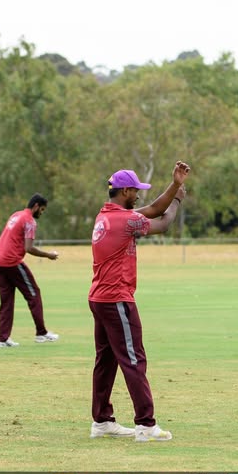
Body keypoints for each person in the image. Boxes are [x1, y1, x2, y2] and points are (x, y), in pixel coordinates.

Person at [88, 160, 191, 443]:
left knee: (106, 362)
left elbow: (152, 209)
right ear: (125, 192)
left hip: (99, 297)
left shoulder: (106, 215)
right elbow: (163, 221)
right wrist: (178, 198)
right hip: (116, 299)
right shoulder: (125, 219)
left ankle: (102, 420)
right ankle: (146, 424)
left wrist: (174, 184)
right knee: (134, 360)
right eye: (136, 191)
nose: (139, 195)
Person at [0, 193, 60, 347]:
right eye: (41, 210)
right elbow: (28, 248)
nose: (41, 213)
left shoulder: (16, 215)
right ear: (36, 206)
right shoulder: (29, 221)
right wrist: (48, 255)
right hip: (11, 261)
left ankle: (2, 339)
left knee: (6, 301)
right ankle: (41, 333)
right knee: (34, 294)